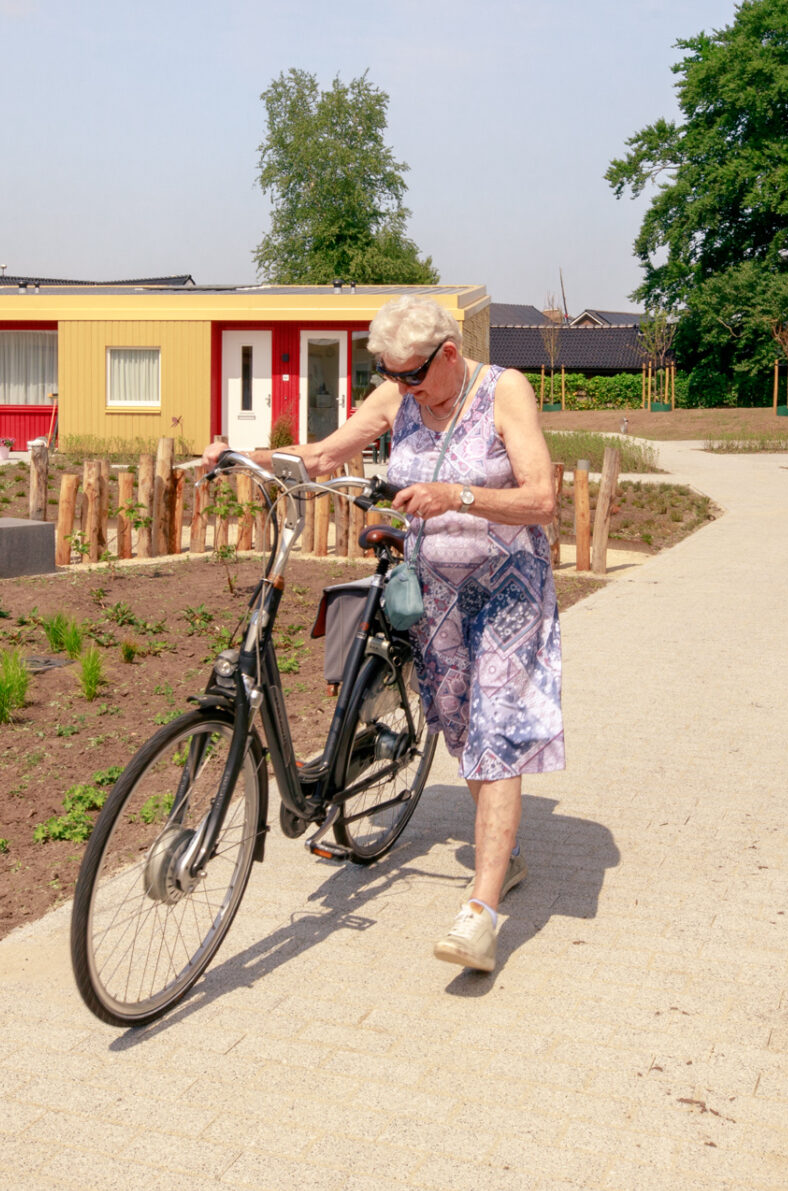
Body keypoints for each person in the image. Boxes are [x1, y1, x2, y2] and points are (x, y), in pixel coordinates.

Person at [203, 293, 561, 976]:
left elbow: (542, 499)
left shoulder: (503, 392)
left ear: (449, 354)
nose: (401, 388)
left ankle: (480, 914)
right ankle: (503, 856)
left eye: (413, 375)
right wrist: (237, 455)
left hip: (506, 587)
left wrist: (457, 495)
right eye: (391, 375)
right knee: (459, 727)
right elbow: (319, 455)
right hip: (433, 592)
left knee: (497, 724)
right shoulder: (396, 396)